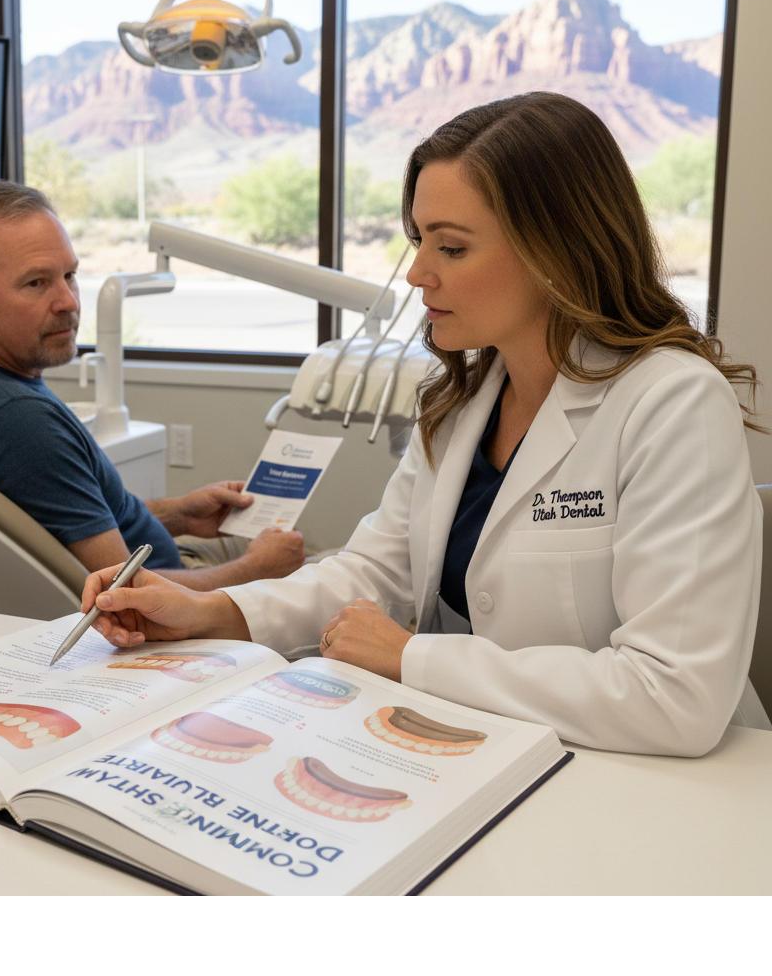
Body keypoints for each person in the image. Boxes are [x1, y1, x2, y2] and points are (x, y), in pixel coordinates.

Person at [77, 91, 768, 757]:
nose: (415, 275)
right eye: (417, 240)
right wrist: (212, 613)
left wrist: (415, 658)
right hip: (486, 754)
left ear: (555, 251)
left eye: (452, 247)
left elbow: (677, 696)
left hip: (659, 791)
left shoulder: (672, 405)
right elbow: (376, 573)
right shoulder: (463, 402)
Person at [0, 181, 304, 589]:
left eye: (70, 275)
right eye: (36, 283)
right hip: (171, 605)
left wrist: (178, 515)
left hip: (164, 561)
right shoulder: (19, 423)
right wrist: (256, 571)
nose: (69, 302)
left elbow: (59, 527)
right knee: (321, 570)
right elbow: (127, 597)